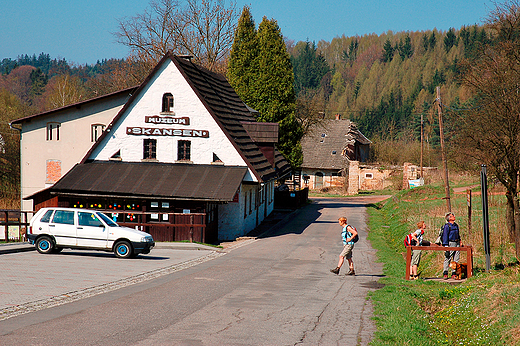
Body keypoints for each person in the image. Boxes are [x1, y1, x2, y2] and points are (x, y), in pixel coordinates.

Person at [442, 212, 462, 279]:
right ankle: (445, 272)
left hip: (457, 243)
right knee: (448, 257)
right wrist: (446, 246)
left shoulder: (456, 225)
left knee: (456, 258)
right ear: (449, 218)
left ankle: (454, 273)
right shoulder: (447, 226)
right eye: (452, 216)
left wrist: (460, 241)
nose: (454, 216)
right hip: (450, 243)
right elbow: (445, 236)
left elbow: (458, 234)